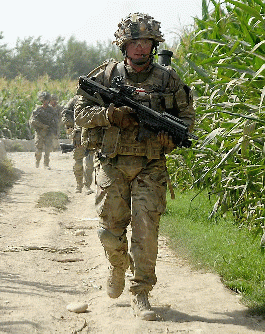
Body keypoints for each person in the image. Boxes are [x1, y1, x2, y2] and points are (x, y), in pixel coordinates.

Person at [74, 13, 195, 320]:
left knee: (146, 232)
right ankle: (117, 265)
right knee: (109, 231)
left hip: (150, 166)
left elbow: (187, 118)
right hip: (113, 164)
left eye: (146, 43)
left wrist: (171, 138)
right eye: (135, 43)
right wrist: (108, 116)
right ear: (124, 46)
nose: (141, 48)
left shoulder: (168, 80)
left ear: (154, 46)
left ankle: (140, 292)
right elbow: (79, 111)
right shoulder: (107, 74)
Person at [61, 96, 94, 194]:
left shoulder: (94, 98)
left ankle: (87, 185)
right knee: (78, 162)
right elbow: (65, 114)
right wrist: (71, 127)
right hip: (78, 135)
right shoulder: (75, 100)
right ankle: (79, 185)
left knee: (90, 164)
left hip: (91, 134)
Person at [29, 91, 59, 168]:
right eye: (44, 101)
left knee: (48, 150)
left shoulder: (52, 110)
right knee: (39, 150)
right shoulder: (38, 110)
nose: (46, 102)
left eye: (47, 101)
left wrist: (55, 133)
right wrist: (42, 126)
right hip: (40, 132)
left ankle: (46, 164)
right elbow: (32, 121)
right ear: (42, 101)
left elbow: (55, 122)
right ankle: (37, 162)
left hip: (48, 132)